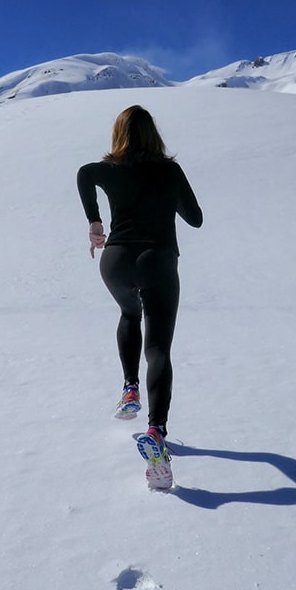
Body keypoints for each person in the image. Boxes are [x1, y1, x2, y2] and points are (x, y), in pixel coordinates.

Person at [77, 105, 203, 488]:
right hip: (157, 259)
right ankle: (156, 432)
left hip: (114, 260)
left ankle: (130, 389)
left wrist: (95, 221)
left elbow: (84, 174)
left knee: (130, 314)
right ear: (154, 135)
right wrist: (169, 199)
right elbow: (195, 218)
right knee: (160, 348)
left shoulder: (109, 169)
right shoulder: (169, 171)